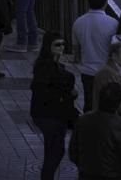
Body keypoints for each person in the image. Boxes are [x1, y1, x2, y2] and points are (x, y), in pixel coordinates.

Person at [68, 81, 121, 180]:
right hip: (111, 175)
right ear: (119, 102)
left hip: (86, 174)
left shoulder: (83, 120)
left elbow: (73, 152)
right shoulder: (119, 125)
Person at [30, 32, 78, 180]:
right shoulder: (45, 67)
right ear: (48, 46)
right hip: (49, 114)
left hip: (53, 114)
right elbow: (43, 91)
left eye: (63, 44)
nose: (61, 47)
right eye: (57, 45)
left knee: (53, 150)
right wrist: (68, 93)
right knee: (56, 150)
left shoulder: (53, 65)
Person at [71, 0, 119, 112]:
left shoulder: (78, 23)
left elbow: (76, 52)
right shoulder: (113, 24)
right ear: (105, 2)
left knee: (89, 103)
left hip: (87, 71)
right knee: (108, 106)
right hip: (107, 71)